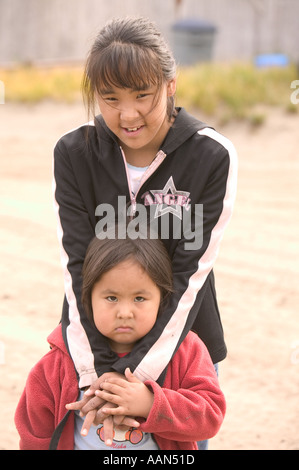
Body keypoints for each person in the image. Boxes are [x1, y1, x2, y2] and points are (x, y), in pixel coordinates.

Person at [52, 16, 237, 447]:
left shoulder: (212, 156)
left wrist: (138, 378)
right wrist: (99, 373)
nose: (127, 114)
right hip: (93, 352)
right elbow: (76, 268)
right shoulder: (74, 154)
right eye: (110, 98)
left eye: (143, 95)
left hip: (181, 356)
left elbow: (191, 275)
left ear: (171, 85)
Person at [15, 235, 226, 450]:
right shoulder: (58, 362)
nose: (125, 313)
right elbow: (34, 435)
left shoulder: (185, 350)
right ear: (86, 299)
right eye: (112, 298)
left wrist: (150, 403)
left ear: (163, 300)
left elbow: (210, 416)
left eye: (139, 298)